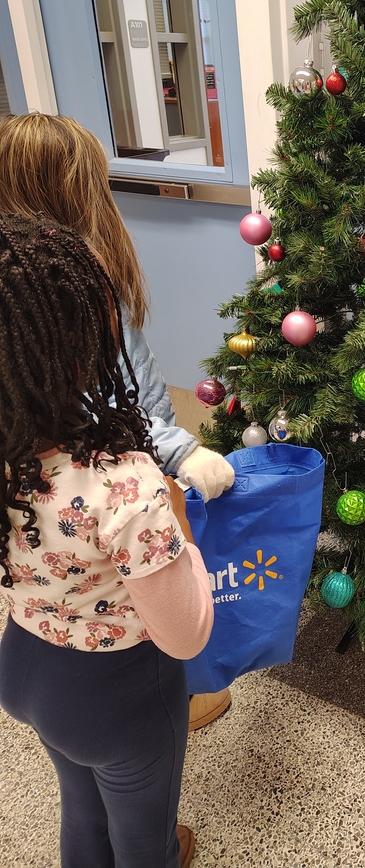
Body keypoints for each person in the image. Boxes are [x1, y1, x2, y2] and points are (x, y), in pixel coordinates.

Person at [0, 112, 233, 731]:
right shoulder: (70, 294)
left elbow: (131, 390)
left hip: (36, 645)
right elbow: (114, 406)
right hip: (125, 674)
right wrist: (177, 456)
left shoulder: (32, 291)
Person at [0, 213, 214, 867]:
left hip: (25, 665)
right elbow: (185, 635)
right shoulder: (122, 481)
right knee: (144, 841)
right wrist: (187, 547)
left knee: (82, 809)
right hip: (119, 696)